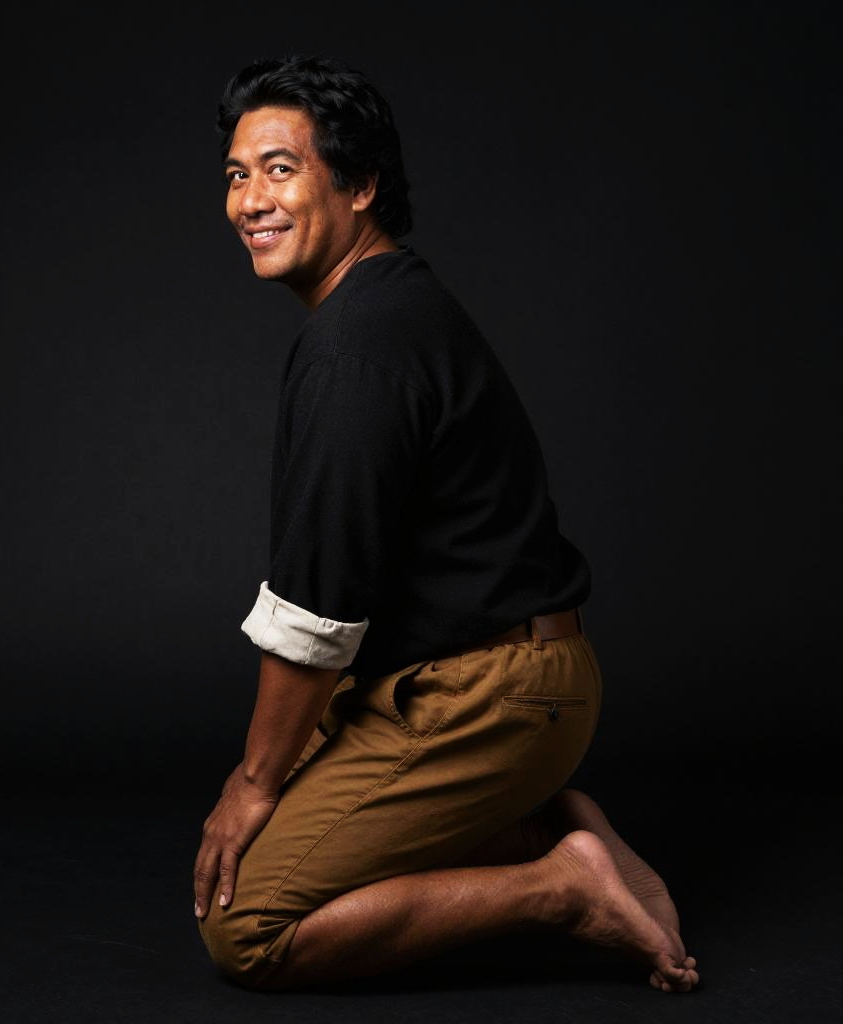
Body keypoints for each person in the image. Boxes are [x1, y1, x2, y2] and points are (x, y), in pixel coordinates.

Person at [193, 53, 699, 995]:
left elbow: (317, 604)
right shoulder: (389, 303)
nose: (249, 200)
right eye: (235, 175)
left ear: (361, 185)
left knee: (248, 925)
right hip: (480, 677)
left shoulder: (357, 345)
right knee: (280, 831)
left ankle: (558, 886)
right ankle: (542, 826)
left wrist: (253, 782)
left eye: (279, 169)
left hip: (493, 695)